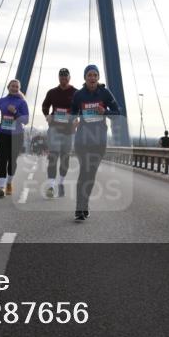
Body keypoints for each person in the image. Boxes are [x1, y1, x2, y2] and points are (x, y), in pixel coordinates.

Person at [70, 64, 119, 221]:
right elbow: (72, 114)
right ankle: (80, 208)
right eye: (89, 75)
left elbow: (118, 112)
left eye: (95, 75)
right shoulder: (78, 95)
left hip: (99, 141)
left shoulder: (105, 93)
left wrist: (105, 111)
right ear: (85, 78)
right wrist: (73, 121)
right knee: (84, 171)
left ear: (98, 78)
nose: (92, 78)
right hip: (82, 140)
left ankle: (85, 205)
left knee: (91, 174)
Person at [0, 79, 30, 197]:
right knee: (2, 160)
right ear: (8, 87)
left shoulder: (22, 103)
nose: (14, 88)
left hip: (17, 135)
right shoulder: (1, 101)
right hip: (2, 134)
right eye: (12, 86)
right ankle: (1, 187)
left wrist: (16, 112)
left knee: (12, 161)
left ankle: (9, 183)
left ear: (19, 89)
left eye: (17, 87)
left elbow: (26, 120)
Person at [41, 67, 76, 198]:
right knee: (53, 157)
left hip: (69, 130)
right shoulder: (52, 92)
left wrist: (78, 120)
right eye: (61, 77)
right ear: (58, 78)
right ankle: (51, 186)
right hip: (54, 128)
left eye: (66, 77)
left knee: (65, 159)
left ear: (69, 78)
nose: (63, 79)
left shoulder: (75, 92)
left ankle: (60, 182)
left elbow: (82, 108)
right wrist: (47, 115)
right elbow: (45, 106)